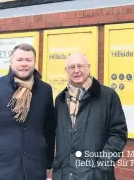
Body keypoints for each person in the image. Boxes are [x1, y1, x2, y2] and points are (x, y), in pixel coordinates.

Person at [0, 44, 55, 180]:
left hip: (35, 170)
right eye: (20, 60)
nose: (24, 64)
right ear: (11, 62)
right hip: (0, 170)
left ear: (34, 62)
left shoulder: (45, 90)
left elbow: (49, 129)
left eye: (28, 60)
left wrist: (49, 164)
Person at [52, 52, 128, 180]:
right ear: (66, 70)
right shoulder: (60, 100)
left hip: (96, 175)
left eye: (80, 66)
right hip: (64, 175)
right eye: (71, 67)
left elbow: (118, 134)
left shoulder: (108, 96)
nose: (76, 71)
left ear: (89, 67)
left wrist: (101, 168)